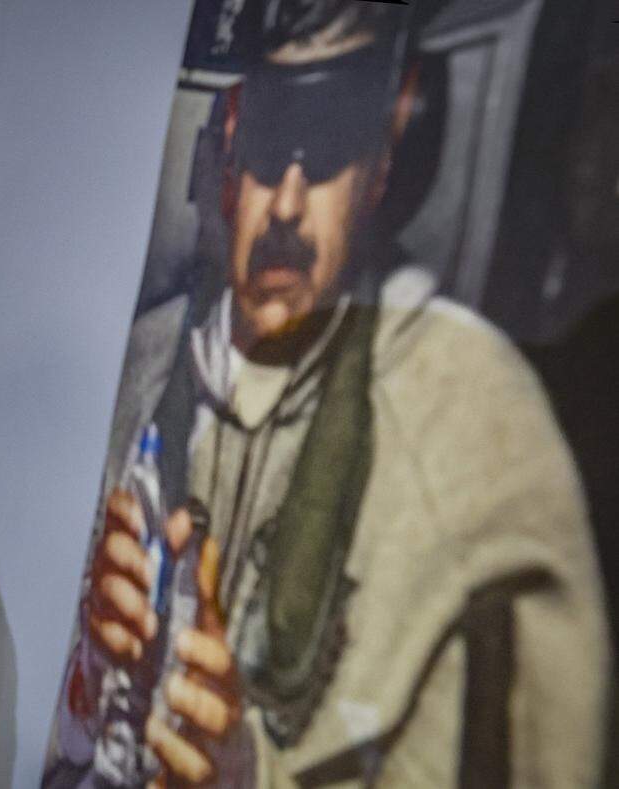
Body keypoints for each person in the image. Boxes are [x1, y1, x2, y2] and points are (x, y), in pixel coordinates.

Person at [44, 2, 610, 786]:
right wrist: (91, 673)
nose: (286, 204)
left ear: (383, 166)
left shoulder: (477, 416)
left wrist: (250, 771)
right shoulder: (145, 361)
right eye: (272, 149)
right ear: (230, 155)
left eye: (334, 149)